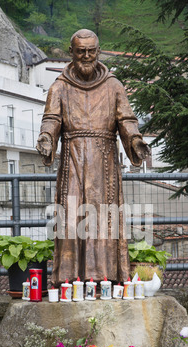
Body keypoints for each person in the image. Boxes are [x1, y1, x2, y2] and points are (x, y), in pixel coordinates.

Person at [36, 29, 149, 286]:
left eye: (91, 51)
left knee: (103, 218)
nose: (86, 56)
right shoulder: (59, 87)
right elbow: (51, 119)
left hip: (104, 163)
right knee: (72, 216)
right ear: (71, 53)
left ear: (98, 51)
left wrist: (135, 140)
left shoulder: (113, 86)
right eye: (80, 51)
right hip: (72, 160)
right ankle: (68, 279)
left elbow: (127, 120)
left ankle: (105, 278)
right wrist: (47, 137)